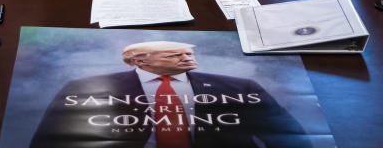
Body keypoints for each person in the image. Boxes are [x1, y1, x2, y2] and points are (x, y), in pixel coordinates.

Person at [29, 40, 309, 147]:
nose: (185, 56)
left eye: (187, 52)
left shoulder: (239, 88)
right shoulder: (85, 89)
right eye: (173, 53)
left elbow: (292, 142)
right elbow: (49, 145)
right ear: (138, 60)